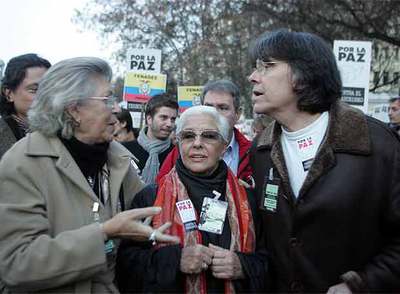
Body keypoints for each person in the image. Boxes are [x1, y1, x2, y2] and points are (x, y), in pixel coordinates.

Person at [0, 57, 178, 293]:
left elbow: (150, 215)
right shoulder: (23, 162)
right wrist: (104, 234)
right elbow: (16, 264)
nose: (116, 108)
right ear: (74, 109)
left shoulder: (118, 159)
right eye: (107, 99)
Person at [248, 29, 400, 293]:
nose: (253, 77)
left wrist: (360, 284)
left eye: (267, 66)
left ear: (303, 75)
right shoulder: (260, 152)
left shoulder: (379, 145)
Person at [117, 106, 267, 293]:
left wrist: (244, 266)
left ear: (224, 145)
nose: (197, 143)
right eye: (188, 136)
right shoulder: (150, 198)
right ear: (178, 142)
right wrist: (173, 261)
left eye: (209, 136)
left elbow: (272, 262)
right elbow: (126, 266)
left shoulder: (248, 199)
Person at [157, 80, 253, 186]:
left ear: (237, 113)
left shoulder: (252, 153)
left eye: (223, 108)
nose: (214, 113)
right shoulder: (182, 149)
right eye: (208, 107)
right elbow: (161, 188)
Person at [0, 53, 51, 158]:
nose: (45, 96)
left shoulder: (67, 131)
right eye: (34, 90)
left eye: (49, 89)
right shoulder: (3, 134)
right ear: (9, 94)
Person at [123, 93, 178, 184]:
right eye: (163, 118)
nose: (169, 124)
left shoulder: (177, 155)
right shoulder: (125, 151)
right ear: (149, 119)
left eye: (173, 119)